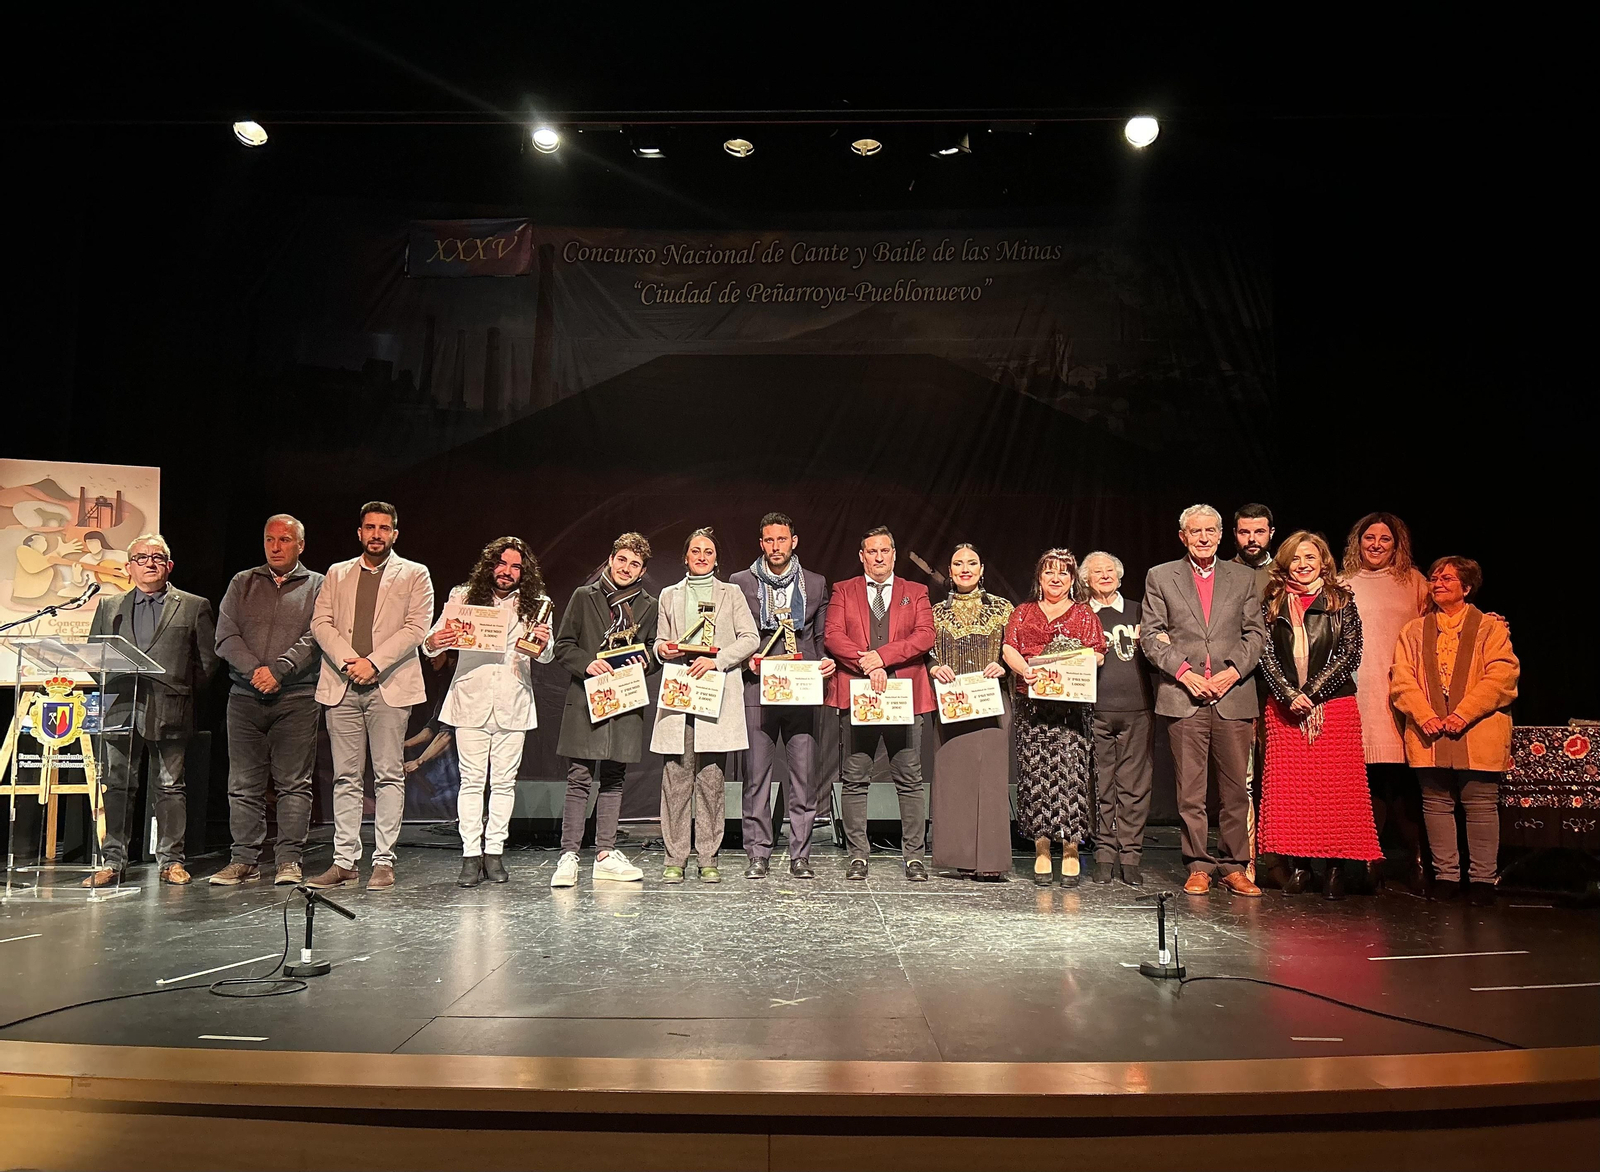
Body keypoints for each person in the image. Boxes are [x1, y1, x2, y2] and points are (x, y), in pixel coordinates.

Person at [305, 502, 434, 890]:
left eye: (384, 528)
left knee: (388, 775)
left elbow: (416, 628)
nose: (376, 534)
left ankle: (383, 861)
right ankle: (344, 861)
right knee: (345, 777)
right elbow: (320, 622)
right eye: (369, 527)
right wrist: (350, 661)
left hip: (389, 686)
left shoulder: (414, 573)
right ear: (358, 532)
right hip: (342, 684)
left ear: (395, 534)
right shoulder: (337, 573)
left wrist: (374, 663)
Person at [1141, 505, 1268, 897]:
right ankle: (1197, 865)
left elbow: (1255, 635)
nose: (1203, 537)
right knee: (1191, 792)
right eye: (1195, 531)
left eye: (1210, 531)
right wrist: (1186, 675)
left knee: (1234, 791)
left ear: (1219, 535)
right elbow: (1150, 636)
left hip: (1234, 695)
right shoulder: (1161, 576)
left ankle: (1233, 866)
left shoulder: (1244, 578)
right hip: (1185, 696)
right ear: (1183, 536)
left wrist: (1232, 672)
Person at [83, 534, 218, 887]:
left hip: (169, 708)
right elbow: (92, 657)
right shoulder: (109, 607)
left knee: (171, 785)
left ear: (169, 565)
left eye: (157, 557)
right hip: (120, 706)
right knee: (116, 784)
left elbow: (207, 663)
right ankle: (113, 861)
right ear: (129, 567)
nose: (149, 563)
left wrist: (178, 691)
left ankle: (171, 861)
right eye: (141, 558)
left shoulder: (193, 605)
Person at [1256, 532, 1383, 898]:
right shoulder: (1273, 600)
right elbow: (1264, 654)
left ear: (1324, 562)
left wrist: (1310, 694)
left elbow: (1349, 655)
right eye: (1295, 558)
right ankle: (1299, 868)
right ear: (1285, 563)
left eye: (1310, 557)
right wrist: (1288, 694)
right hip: (1285, 709)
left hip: (1334, 708)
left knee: (1336, 795)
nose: (1303, 564)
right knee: (1291, 794)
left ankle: (1335, 870)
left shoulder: (1341, 600)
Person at [423, 536, 554, 888]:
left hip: (513, 702)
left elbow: (546, 655)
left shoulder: (538, 604)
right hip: (471, 702)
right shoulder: (463, 597)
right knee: (471, 782)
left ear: (523, 572)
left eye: (515, 567)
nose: (507, 572)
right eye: (502, 564)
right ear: (489, 565)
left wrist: (542, 643)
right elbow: (431, 641)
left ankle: (494, 851)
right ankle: (470, 854)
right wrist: (438, 640)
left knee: (504, 783)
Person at [1390, 557, 1519, 907]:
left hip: (1478, 731)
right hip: (1429, 733)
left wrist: (1463, 714)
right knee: (1436, 804)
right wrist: (1424, 714)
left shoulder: (1491, 629)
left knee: (1480, 805)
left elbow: (1503, 677)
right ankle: (1446, 876)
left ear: (1466, 587)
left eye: (1448, 578)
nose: (1438, 582)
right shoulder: (1413, 631)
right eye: (1434, 578)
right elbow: (1402, 679)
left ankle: (1481, 880)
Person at [210, 515, 324, 887]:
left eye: (285, 540)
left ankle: (289, 860)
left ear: (300, 545)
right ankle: (244, 860)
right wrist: (256, 670)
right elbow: (225, 636)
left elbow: (317, 637)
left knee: (293, 783)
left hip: (297, 697)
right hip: (244, 696)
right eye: (270, 539)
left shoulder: (318, 586)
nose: (275, 547)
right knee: (243, 785)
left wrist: (279, 670)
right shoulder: (242, 582)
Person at [824, 526, 936, 881]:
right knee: (856, 777)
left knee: (909, 777)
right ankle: (859, 855)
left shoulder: (915, 591)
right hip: (857, 694)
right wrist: (864, 663)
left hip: (905, 695)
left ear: (894, 553)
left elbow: (924, 636)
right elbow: (833, 636)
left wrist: (881, 658)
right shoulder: (844, 589)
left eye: (885, 550)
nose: (878, 557)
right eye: (871, 551)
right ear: (862, 556)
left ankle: (914, 857)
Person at [550, 532, 659, 888]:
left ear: (642, 571)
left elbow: (652, 652)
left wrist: (647, 661)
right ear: (611, 559)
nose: (627, 568)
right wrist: (588, 665)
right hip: (586, 698)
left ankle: (605, 854)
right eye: (623, 560)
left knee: (614, 779)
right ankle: (568, 855)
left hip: (624, 701)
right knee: (579, 777)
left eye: (635, 564)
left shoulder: (648, 605)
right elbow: (564, 645)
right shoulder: (585, 597)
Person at [651, 528, 759, 884]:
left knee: (711, 781)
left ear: (716, 559)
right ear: (685, 557)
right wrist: (661, 649)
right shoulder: (669, 595)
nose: (701, 556)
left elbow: (750, 638)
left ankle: (708, 856)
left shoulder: (731, 594)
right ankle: (675, 857)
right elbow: (660, 642)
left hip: (714, 693)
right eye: (695, 551)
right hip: (681, 692)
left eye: (708, 552)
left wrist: (718, 661)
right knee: (676, 779)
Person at [729, 512, 834, 880]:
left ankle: (799, 854)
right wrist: (747, 663)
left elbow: (821, 640)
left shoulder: (817, 584)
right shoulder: (740, 582)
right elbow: (734, 636)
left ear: (794, 541)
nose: (776, 547)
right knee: (756, 776)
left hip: (801, 689)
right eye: (769, 541)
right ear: (761, 544)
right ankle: (758, 852)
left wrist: (825, 664)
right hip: (757, 687)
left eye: (782, 540)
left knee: (803, 776)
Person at [1002, 548, 1106, 886]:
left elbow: (1099, 654)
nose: (1056, 578)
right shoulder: (1023, 612)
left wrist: (1078, 664)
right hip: (1032, 705)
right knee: (1035, 775)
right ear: (1039, 577)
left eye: (1063, 573)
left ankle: (1072, 848)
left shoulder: (1085, 614)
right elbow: (1008, 649)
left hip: (1071, 708)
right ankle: (1042, 848)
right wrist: (1026, 669)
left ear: (1073, 579)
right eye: (1049, 572)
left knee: (1070, 775)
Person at [1343, 511, 1431, 891]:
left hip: (1403, 690)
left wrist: (1489, 621)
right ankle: (1368, 859)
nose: (1376, 545)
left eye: (1385, 539)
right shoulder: (1342, 583)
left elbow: (1448, 617)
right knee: (1365, 778)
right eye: (1369, 538)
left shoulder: (1414, 582)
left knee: (1406, 778)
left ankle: (1418, 859)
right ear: (1357, 542)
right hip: (1358, 690)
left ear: (1398, 545)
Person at [928, 543, 1014, 880]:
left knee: (991, 781)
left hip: (992, 704)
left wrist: (1003, 664)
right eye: (958, 564)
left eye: (972, 563)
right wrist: (935, 668)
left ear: (981, 570)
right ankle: (960, 856)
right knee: (955, 779)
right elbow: (925, 651)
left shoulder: (1003, 609)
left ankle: (990, 861)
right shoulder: (935, 612)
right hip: (952, 706)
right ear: (950, 571)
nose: (965, 569)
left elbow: (1015, 649)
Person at [1081, 551, 1155, 887]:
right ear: (1087, 579)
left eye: (1110, 570)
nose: (1105, 576)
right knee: (1100, 784)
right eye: (1097, 572)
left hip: (1138, 710)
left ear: (1120, 576)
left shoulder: (1141, 610)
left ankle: (1131, 857)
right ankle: (1104, 855)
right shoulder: (1081, 615)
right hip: (1095, 710)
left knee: (1135, 787)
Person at [1231, 504, 1276, 596]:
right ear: (1235, 533)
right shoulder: (1221, 573)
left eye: (1259, 532)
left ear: (1271, 533)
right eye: (1244, 532)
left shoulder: (1282, 573)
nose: (1251, 539)